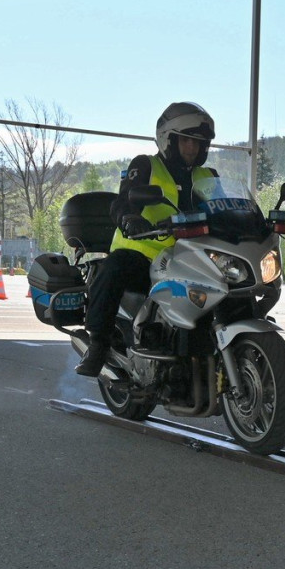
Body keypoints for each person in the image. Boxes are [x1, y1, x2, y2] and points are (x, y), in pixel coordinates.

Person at [76, 102, 218, 376]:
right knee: (113, 267)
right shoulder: (146, 166)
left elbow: (224, 208)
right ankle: (98, 344)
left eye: (199, 143)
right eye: (187, 140)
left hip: (191, 261)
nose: (192, 148)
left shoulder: (208, 176)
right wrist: (130, 218)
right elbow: (122, 201)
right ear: (169, 139)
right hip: (145, 258)